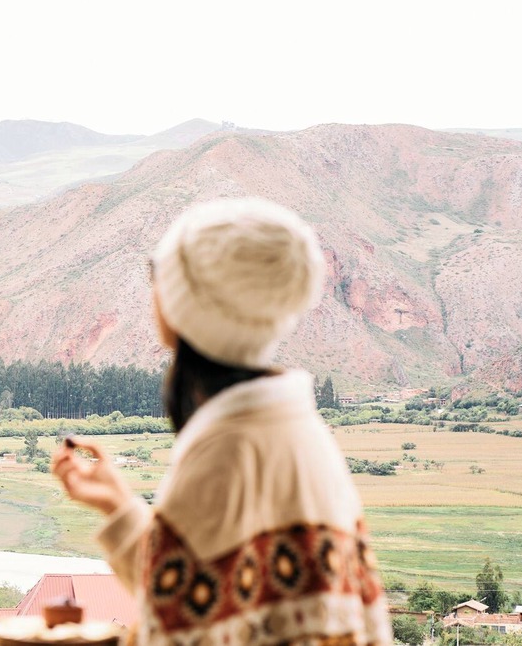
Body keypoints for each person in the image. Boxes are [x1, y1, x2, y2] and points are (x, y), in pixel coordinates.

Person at [53, 198, 391, 645]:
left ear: (185, 305)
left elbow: (171, 630)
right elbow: (196, 598)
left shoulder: (226, 447)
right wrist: (118, 506)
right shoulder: (291, 426)